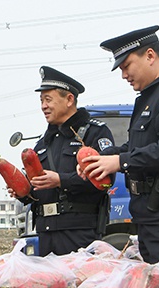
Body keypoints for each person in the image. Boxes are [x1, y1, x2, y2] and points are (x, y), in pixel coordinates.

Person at [80, 26, 159, 264]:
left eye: (126, 66)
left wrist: (119, 162)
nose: (124, 75)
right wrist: (101, 159)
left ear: (149, 56)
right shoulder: (150, 98)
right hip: (152, 217)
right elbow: (137, 146)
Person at [13, 67, 115, 257]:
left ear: (69, 99)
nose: (43, 106)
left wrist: (61, 180)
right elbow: (37, 191)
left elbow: (105, 181)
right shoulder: (42, 144)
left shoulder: (95, 133)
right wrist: (22, 191)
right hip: (45, 233)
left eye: (48, 99)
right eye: (41, 101)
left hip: (80, 233)